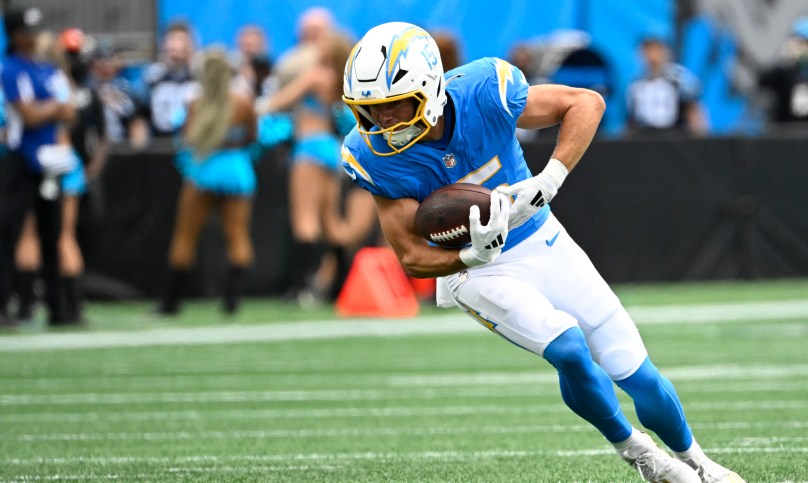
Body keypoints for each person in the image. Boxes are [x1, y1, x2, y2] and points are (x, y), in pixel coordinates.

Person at [340, 22, 744, 483]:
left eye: (394, 105)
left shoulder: (483, 91)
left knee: (636, 370)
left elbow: (585, 103)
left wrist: (549, 179)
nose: (384, 121)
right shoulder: (370, 153)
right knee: (568, 346)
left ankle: (699, 461)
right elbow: (411, 255)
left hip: (540, 236)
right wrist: (468, 257)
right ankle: (638, 453)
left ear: (430, 88)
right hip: (476, 272)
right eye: (370, 110)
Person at [155, 47, 257, 316]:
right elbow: (252, 137)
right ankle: (232, 304)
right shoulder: (244, 102)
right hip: (236, 171)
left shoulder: (194, 103)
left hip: (204, 170)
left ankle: (170, 305)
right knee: (238, 237)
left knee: (185, 238)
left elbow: (187, 139)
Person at [256, 30, 355, 304]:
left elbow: (277, 102)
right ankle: (340, 286)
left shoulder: (315, 75)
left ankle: (298, 289)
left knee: (304, 220)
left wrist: (255, 107)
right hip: (330, 148)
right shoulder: (337, 79)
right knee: (331, 222)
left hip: (309, 147)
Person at [0, 7, 78, 327]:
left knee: (52, 233)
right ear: (15, 34)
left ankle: (58, 309)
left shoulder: (48, 70)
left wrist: (47, 110)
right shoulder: (9, 68)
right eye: (27, 32)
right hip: (19, 159)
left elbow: (70, 110)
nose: (32, 38)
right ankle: (5, 306)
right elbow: (29, 116)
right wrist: (53, 109)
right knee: (8, 232)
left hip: (49, 159)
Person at [626, 32, 708, 136]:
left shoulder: (678, 78)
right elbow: (631, 119)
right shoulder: (635, 84)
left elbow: (692, 109)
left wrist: (699, 137)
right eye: (648, 50)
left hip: (674, 137)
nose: (652, 56)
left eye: (657, 49)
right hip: (645, 137)